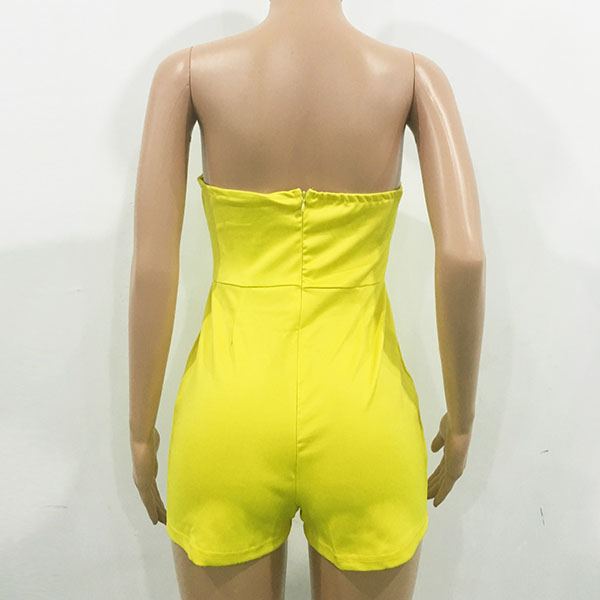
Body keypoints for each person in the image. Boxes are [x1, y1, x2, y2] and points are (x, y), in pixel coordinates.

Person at [129, 1, 486, 599]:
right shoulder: (414, 78)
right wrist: (463, 421)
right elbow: (465, 257)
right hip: (365, 410)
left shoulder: (186, 74)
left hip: (229, 406)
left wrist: (141, 434)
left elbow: (152, 267)